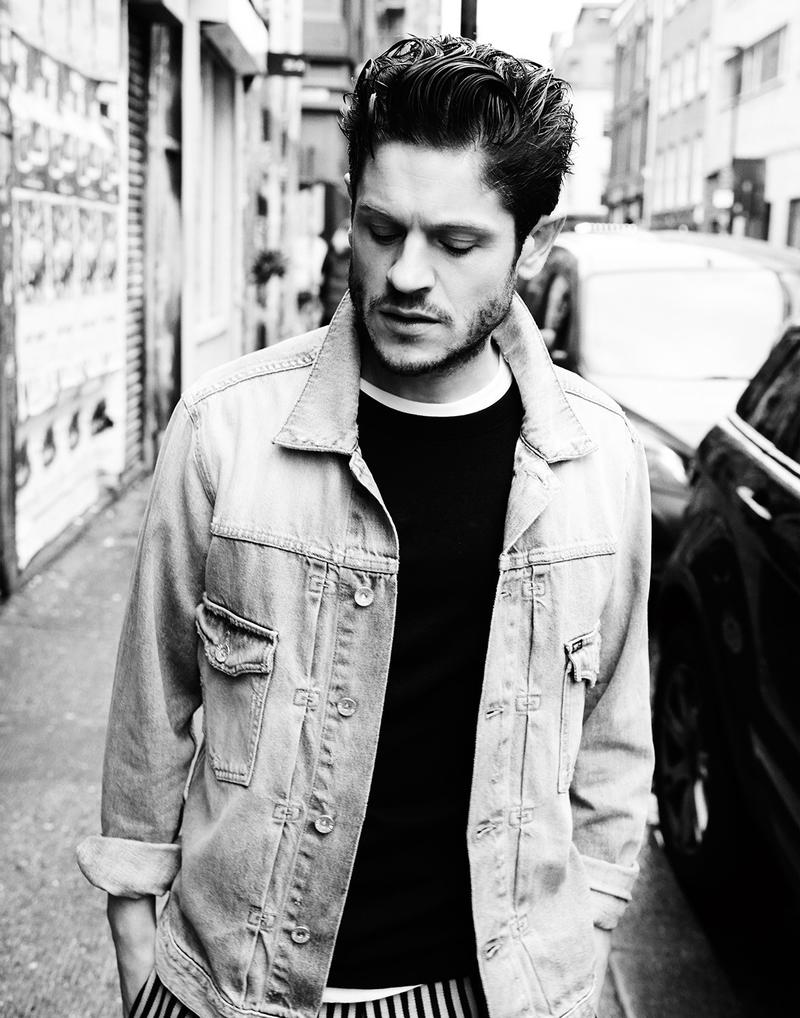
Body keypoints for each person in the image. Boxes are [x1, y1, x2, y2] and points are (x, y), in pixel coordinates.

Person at [78, 35, 654, 1018]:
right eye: (380, 229)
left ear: (532, 245)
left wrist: (590, 926)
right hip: (230, 987)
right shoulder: (226, 428)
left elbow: (612, 732)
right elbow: (151, 700)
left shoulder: (596, 461)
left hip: (487, 992)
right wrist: (136, 935)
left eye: (456, 243)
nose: (405, 274)